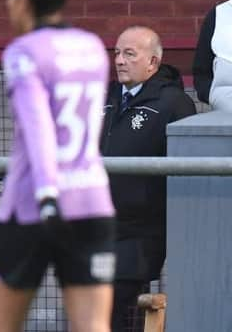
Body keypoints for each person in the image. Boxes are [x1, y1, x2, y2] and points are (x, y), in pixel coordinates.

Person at [0, 0, 116, 332]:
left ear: (24, 0)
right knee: (94, 326)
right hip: (92, 201)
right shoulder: (93, 46)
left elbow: (39, 125)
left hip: (34, 203)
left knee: (1, 326)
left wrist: (47, 195)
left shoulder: (22, 53)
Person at [100, 26, 196, 331]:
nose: (119, 61)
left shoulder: (173, 104)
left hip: (140, 232)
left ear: (152, 63)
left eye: (129, 53)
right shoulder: (105, 99)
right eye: (116, 53)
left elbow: (185, 168)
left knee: (118, 303)